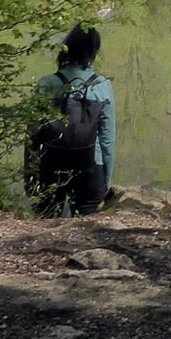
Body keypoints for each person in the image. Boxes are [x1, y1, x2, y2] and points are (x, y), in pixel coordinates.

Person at [29, 22, 116, 217]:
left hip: (50, 167)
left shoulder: (46, 84)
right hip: (91, 169)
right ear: (94, 52)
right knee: (87, 229)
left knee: (46, 224)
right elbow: (108, 141)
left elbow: (33, 136)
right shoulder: (102, 86)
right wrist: (106, 181)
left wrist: (30, 176)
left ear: (67, 49)